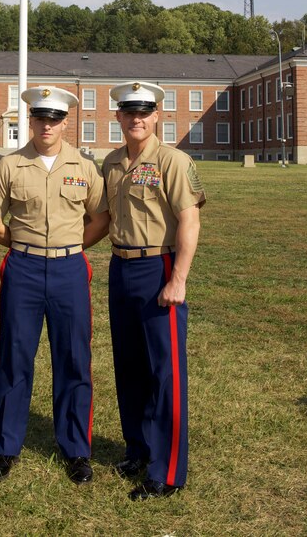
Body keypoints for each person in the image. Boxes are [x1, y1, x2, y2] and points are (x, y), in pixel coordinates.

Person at [0, 86, 109, 485]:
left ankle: (75, 449)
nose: (46, 125)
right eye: (40, 118)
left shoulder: (85, 166)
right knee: (14, 356)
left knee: (73, 358)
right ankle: (4, 446)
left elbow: (101, 218)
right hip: (23, 269)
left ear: (65, 122)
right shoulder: (10, 165)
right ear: (30, 121)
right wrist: (22, 245)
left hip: (70, 270)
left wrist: (70, 247)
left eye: (54, 119)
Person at [101, 81, 206, 500]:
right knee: (129, 366)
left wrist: (178, 278)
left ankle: (166, 471)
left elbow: (190, 221)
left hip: (158, 267)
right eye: (129, 111)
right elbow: (102, 218)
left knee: (165, 372)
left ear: (157, 115)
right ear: (119, 117)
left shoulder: (174, 161)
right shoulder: (110, 163)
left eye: (144, 111)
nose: (137, 118)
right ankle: (138, 448)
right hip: (120, 267)